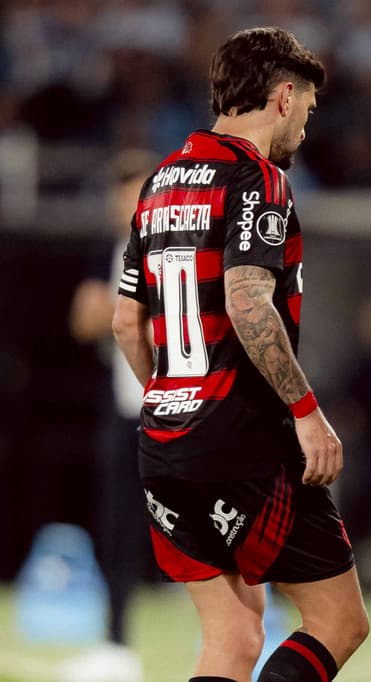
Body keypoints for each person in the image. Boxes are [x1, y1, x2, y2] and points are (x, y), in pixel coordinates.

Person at [112, 27, 369, 682]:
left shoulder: (159, 182)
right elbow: (248, 302)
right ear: (284, 97)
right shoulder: (258, 179)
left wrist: (170, 401)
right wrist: (306, 410)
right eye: (308, 110)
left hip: (164, 439)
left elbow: (124, 323)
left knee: (232, 638)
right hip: (241, 439)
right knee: (339, 621)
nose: (306, 130)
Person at [69, 148, 159, 650]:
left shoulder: (175, 247)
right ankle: (114, 637)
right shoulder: (104, 250)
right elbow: (82, 320)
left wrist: (115, 307)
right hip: (123, 410)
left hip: (174, 406)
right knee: (117, 525)